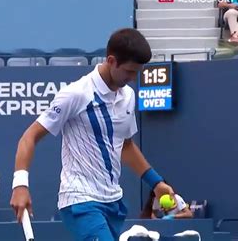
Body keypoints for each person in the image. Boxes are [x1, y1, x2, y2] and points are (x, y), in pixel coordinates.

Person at [10, 28, 175, 241]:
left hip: (113, 202)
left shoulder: (128, 96)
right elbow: (29, 137)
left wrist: (156, 183)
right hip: (80, 201)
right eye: (129, 72)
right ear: (111, 60)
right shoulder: (76, 94)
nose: (133, 78)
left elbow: (125, 146)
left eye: (137, 72)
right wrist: (20, 185)